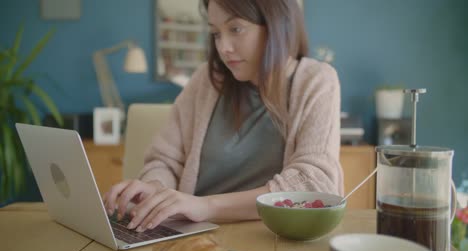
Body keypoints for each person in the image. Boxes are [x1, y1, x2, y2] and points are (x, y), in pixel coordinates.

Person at [103, 0, 343, 233]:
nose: (224, 47)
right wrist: (156, 189)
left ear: (275, 24)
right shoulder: (205, 81)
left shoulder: (316, 80)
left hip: (267, 240)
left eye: (236, 29)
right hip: (190, 236)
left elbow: (313, 183)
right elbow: (164, 161)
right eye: (216, 33)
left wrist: (205, 206)